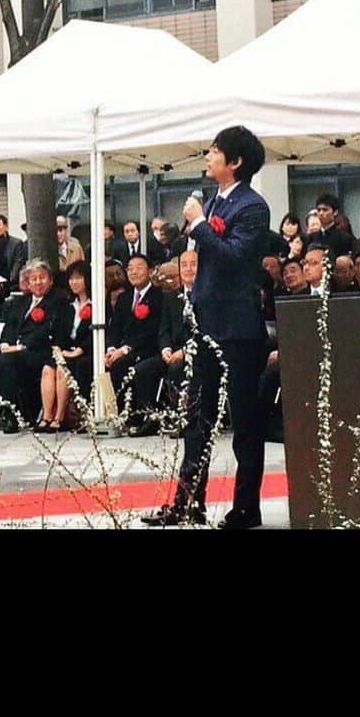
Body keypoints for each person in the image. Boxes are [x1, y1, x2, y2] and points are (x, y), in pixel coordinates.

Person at [143, 125, 272, 530]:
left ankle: (246, 508)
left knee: (244, 422)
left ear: (234, 162)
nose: (208, 156)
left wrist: (199, 224)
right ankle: (187, 502)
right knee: (196, 418)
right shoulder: (214, 202)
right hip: (205, 325)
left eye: (215, 151)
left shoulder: (253, 207)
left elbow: (234, 257)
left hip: (238, 329)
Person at [129, 249, 198, 437]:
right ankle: (151, 418)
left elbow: (206, 330)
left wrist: (184, 351)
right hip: (172, 351)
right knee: (143, 369)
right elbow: (164, 329)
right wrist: (166, 348)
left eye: (193, 264)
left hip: (197, 351)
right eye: (184, 265)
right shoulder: (171, 297)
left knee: (177, 368)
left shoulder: (207, 295)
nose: (188, 269)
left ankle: (183, 418)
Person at [0, 259, 61, 434]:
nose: (38, 282)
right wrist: (6, 343)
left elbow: (48, 331)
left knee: (6, 361)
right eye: (33, 279)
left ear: (50, 280)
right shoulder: (20, 302)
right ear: (27, 283)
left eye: (42, 277)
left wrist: (21, 346)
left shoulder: (57, 300)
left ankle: (13, 415)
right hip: (16, 351)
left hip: (40, 351)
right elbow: (10, 326)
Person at [105, 253, 163, 421]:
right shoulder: (124, 297)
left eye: (139, 268)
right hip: (123, 349)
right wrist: (111, 348)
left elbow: (152, 331)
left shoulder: (158, 296)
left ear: (150, 271)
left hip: (147, 348)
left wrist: (124, 349)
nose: (133, 272)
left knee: (121, 364)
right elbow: (114, 327)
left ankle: (135, 416)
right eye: (130, 269)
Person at [41, 260, 94, 432]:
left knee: (63, 370)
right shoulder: (66, 305)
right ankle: (47, 415)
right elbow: (58, 330)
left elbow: (96, 333)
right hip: (65, 349)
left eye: (78, 278)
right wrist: (57, 347)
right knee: (48, 369)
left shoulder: (98, 304)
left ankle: (60, 417)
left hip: (84, 350)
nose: (74, 282)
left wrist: (79, 350)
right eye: (71, 279)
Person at [0, 214, 26, 288]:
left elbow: (18, 263)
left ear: (6, 226)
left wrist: (9, 280)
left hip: (11, 283)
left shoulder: (16, 243)